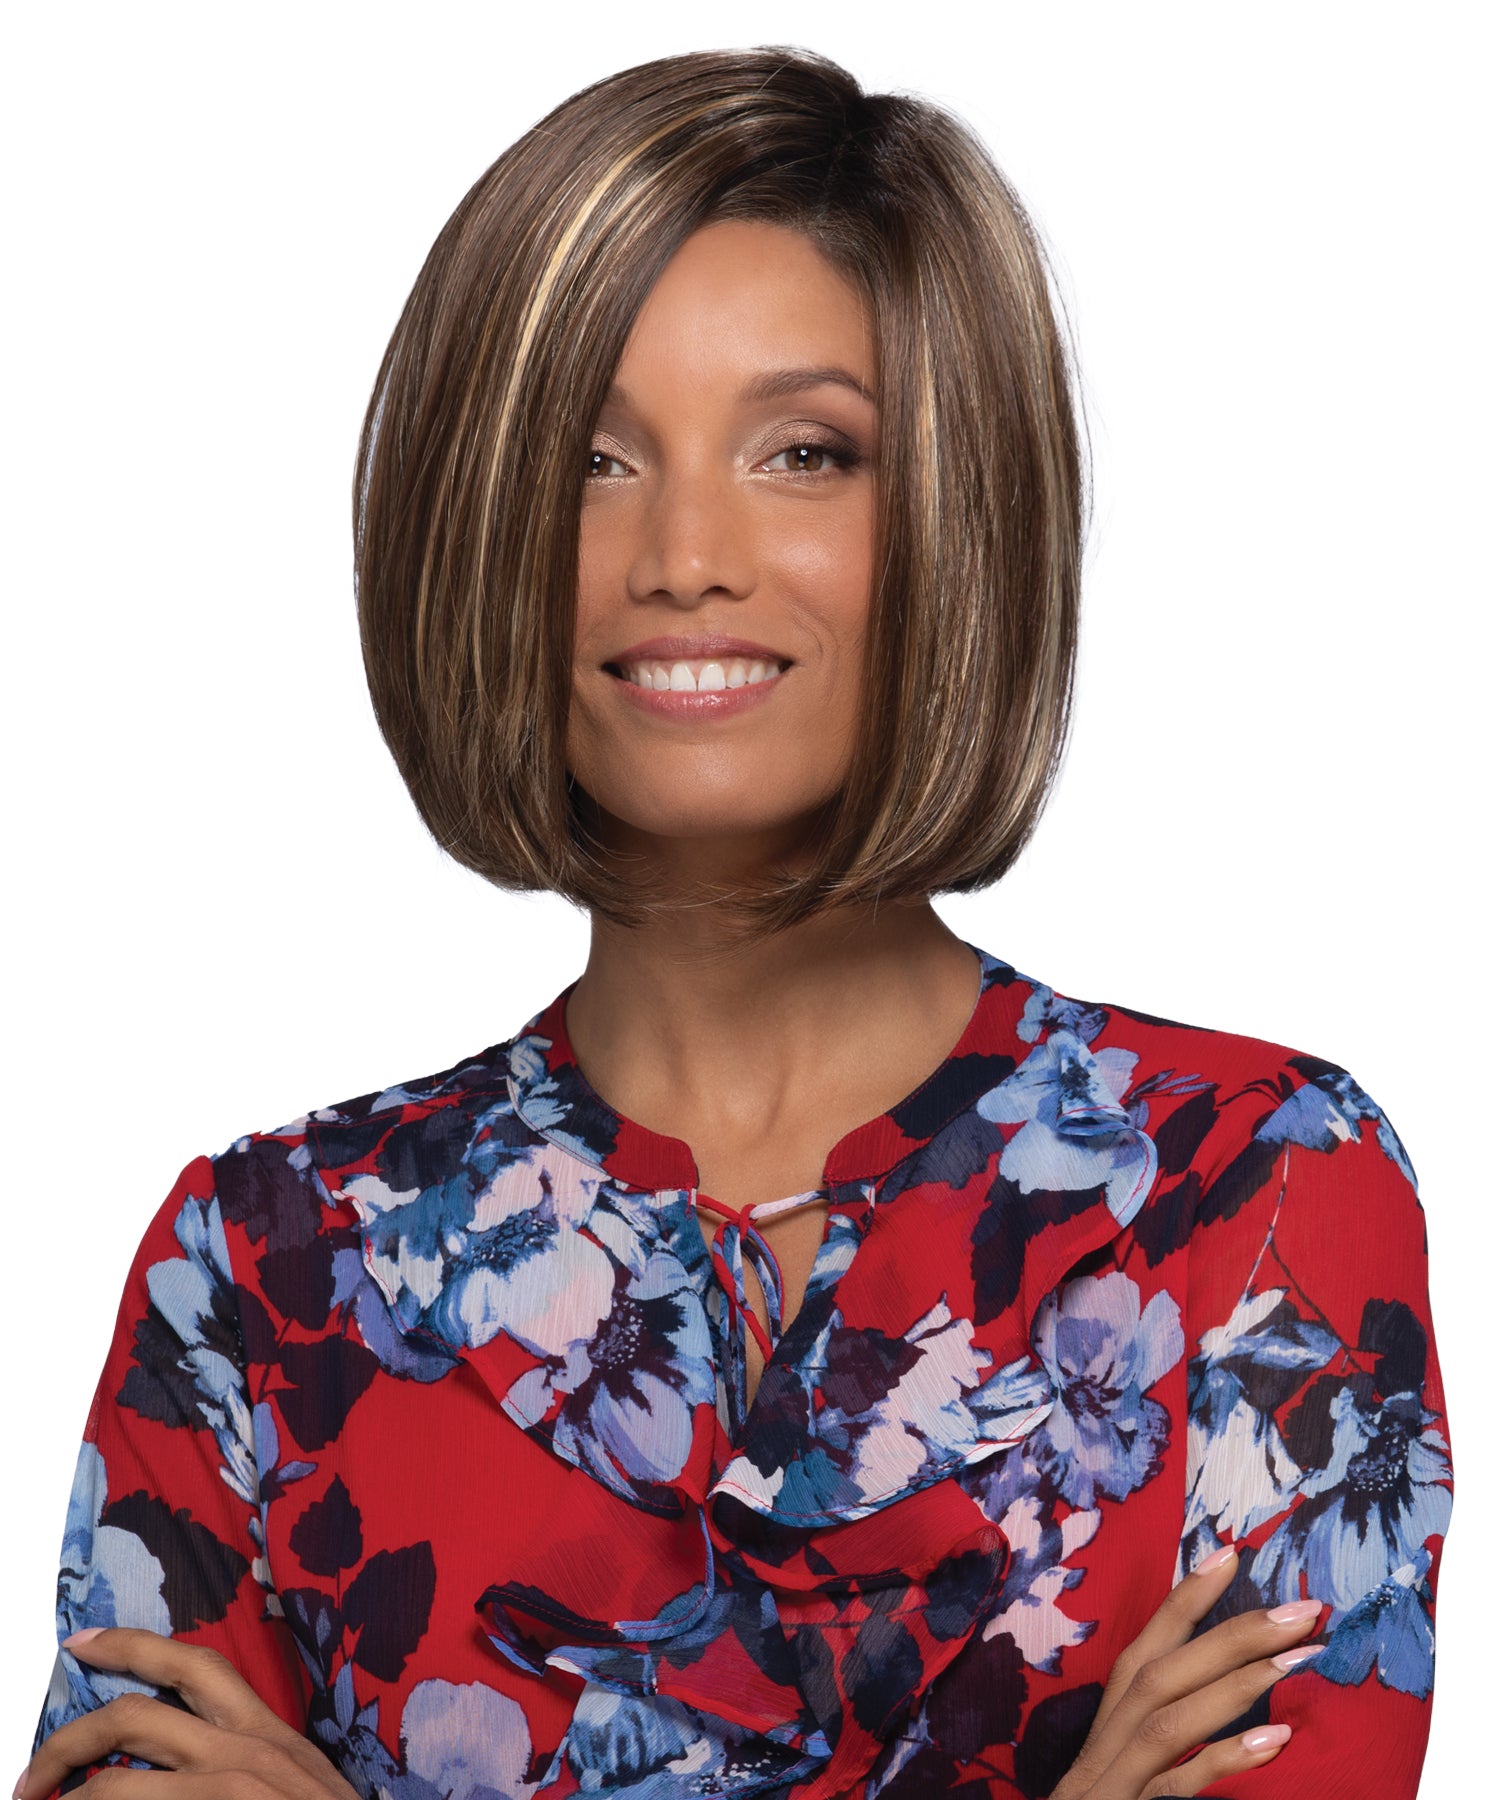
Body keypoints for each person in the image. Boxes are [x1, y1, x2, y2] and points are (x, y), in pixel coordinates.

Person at [19, 46, 1450, 1800]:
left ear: (960, 513)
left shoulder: (1255, 1187)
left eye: (803, 453)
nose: (684, 553)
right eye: (591, 458)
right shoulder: (264, 1270)